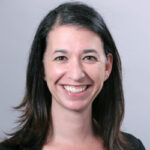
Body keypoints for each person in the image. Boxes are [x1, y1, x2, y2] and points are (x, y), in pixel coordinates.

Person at [0, 2, 145, 150]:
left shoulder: (133, 147)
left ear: (107, 67)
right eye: (61, 58)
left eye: (89, 57)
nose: (76, 74)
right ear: (42, 67)